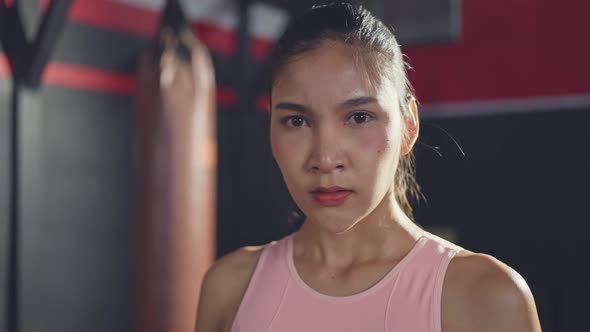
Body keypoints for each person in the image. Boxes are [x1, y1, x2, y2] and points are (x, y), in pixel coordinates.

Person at [195, 2, 542, 331]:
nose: (326, 159)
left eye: (359, 117)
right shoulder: (230, 287)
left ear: (408, 127)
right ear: (271, 129)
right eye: (297, 121)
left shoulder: (485, 296)